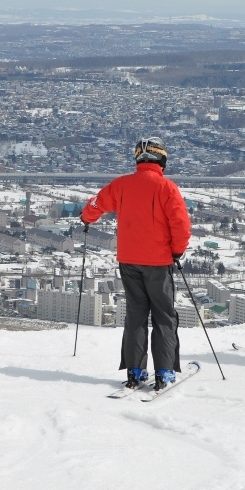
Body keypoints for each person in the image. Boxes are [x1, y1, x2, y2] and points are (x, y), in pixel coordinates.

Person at [81, 136, 191, 391]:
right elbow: (181, 226)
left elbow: (96, 204)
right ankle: (164, 372)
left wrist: (86, 218)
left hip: (129, 260)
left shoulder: (121, 185)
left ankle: (134, 371)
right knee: (164, 316)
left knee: (136, 315)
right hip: (159, 262)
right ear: (162, 159)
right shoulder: (167, 187)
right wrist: (176, 252)